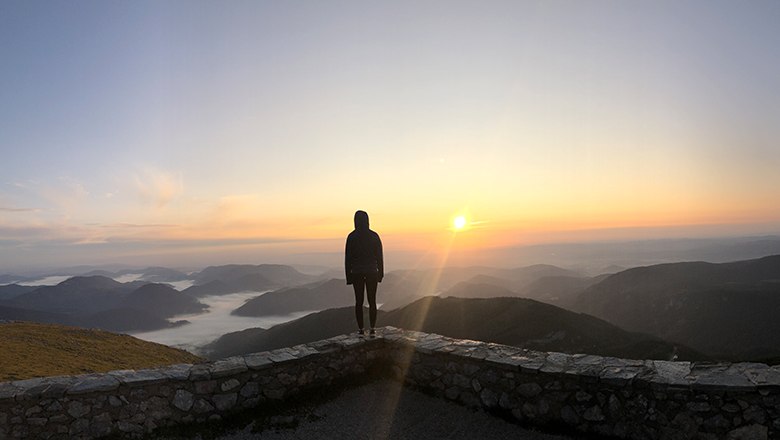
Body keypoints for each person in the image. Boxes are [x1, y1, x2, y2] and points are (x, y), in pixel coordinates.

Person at [345, 210, 383, 337]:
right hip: (372, 271)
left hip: (356, 272)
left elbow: (348, 258)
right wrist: (380, 273)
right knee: (372, 301)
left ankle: (361, 329)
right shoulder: (374, 236)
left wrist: (348, 276)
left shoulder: (352, 237)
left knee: (359, 301)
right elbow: (379, 257)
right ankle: (372, 328)